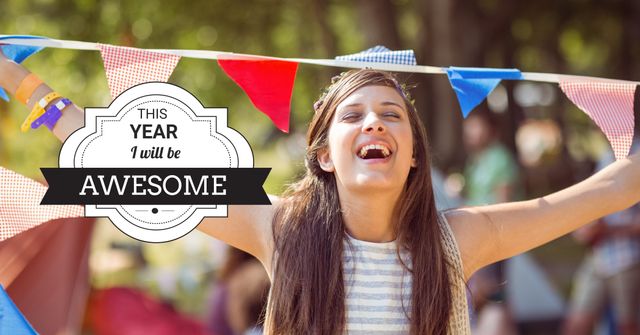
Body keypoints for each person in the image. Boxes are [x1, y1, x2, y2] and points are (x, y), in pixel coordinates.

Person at [1, 50, 639, 334]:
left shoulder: (459, 237)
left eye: (392, 115)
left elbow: (599, 193)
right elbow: (124, 161)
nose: (375, 124)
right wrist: (31, 91)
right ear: (323, 155)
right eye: (354, 116)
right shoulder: (276, 227)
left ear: (414, 156)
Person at [562, 136, 640, 335]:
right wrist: (583, 228)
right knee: (575, 324)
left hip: (629, 259)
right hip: (599, 258)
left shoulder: (637, 155)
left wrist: (606, 230)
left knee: (628, 327)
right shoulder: (606, 155)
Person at [462, 109, 520, 335]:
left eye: (476, 127)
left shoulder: (500, 158)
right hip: (476, 238)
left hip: (494, 239)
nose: (471, 133)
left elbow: (502, 204)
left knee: (491, 294)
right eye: (469, 128)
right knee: (496, 297)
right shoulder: (475, 161)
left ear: (490, 130)